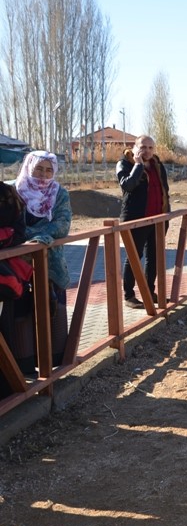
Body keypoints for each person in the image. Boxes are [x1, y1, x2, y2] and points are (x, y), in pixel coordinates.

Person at [15, 150, 72, 367]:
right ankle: (24, 366)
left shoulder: (59, 193)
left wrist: (37, 238)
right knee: (20, 313)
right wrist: (34, 237)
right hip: (18, 263)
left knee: (52, 310)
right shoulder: (15, 191)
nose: (43, 174)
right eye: (39, 168)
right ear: (29, 167)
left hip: (51, 262)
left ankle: (54, 363)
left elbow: (62, 225)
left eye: (49, 170)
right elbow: (11, 226)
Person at [115, 134, 169, 309]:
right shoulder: (125, 163)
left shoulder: (157, 164)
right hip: (136, 219)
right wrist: (138, 166)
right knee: (134, 257)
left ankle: (149, 292)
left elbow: (164, 189)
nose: (147, 151)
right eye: (143, 147)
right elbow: (128, 185)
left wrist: (167, 213)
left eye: (150, 147)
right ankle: (129, 295)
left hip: (158, 219)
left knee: (154, 258)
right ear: (135, 147)